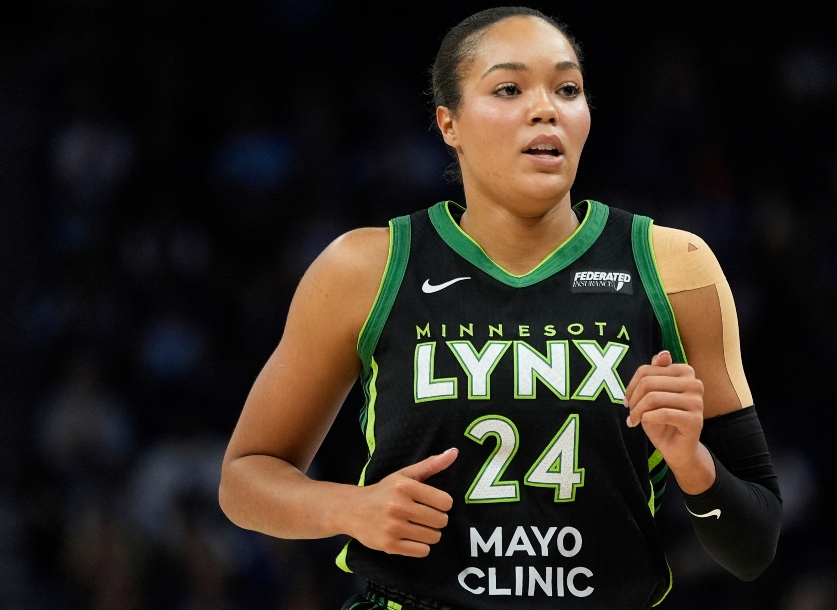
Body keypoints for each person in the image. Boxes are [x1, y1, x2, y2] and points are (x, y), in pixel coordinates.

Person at [218, 7, 781, 610]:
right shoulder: (365, 267)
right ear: (449, 123)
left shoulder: (675, 267)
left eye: (567, 89)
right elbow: (245, 477)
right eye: (509, 89)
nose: (546, 109)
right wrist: (349, 508)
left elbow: (753, 547)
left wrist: (692, 463)